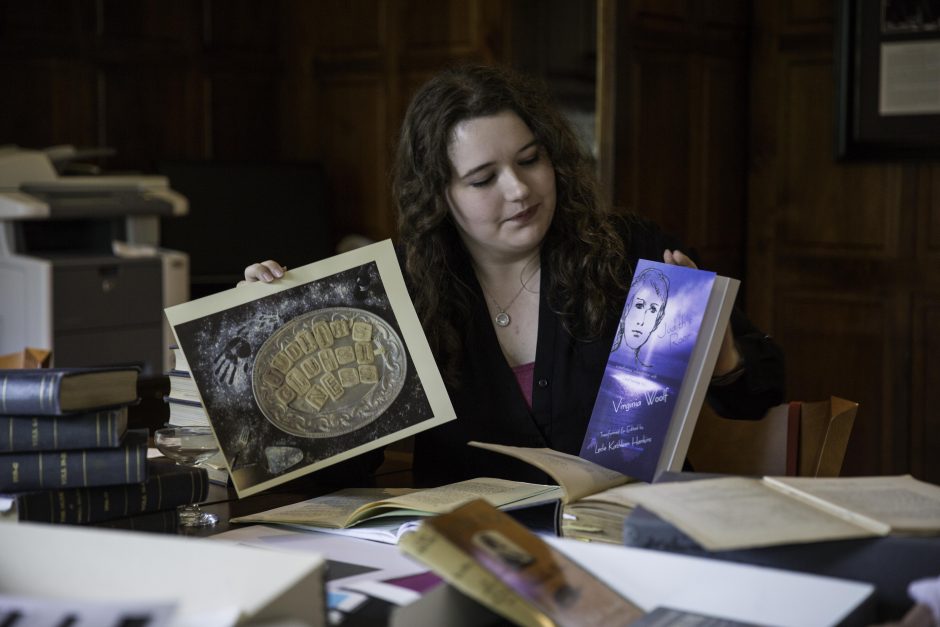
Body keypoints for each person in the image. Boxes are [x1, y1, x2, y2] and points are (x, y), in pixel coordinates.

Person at [244, 64, 785, 486]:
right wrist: (280, 344)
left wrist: (722, 356)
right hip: (472, 552)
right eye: (483, 179)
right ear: (440, 196)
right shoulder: (399, 293)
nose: (520, 189)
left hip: (626, 542)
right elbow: (340, 474)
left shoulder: (630, 253)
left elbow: (758, 395)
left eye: (530, 160)